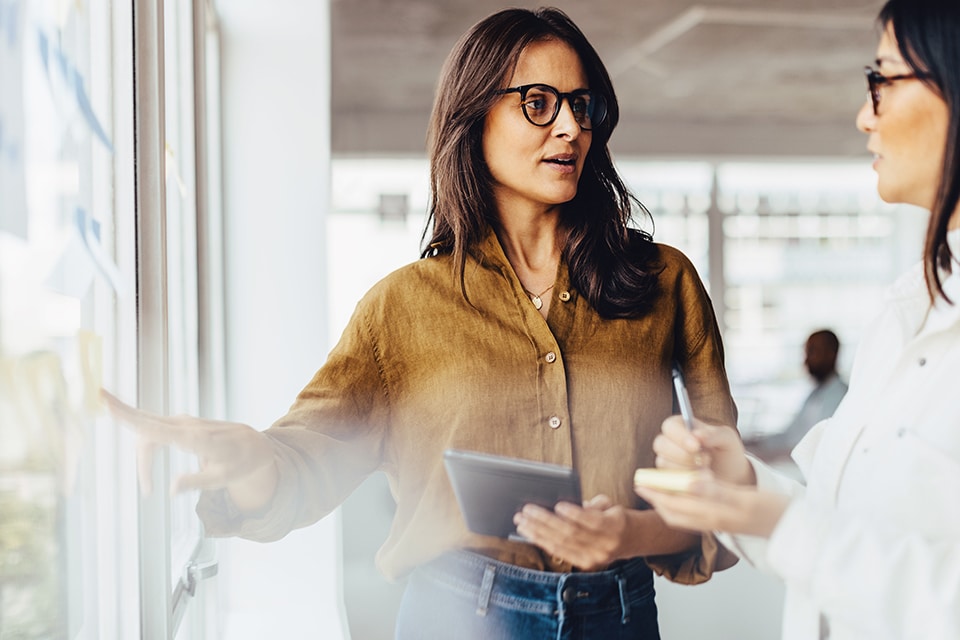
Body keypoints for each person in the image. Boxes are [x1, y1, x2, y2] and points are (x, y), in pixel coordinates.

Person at [104, 7, 738, 639]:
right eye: (539, 103)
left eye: (583, 104)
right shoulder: (402, 307)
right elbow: (308, 461)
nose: (571, 126)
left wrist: (631, 531)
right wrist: (252, 461)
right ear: (473, 117)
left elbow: (730, 495)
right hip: (458, 615)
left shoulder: (665, 281)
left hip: (620, 615)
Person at [636, 1, 960, 638]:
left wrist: (785, 528)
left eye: (883, 81)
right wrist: (742, 481)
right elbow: (845, 530)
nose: (864, 116)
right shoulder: (907, 312)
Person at [744, 329, 848, 462]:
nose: (806, 361)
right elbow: (789, 436)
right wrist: (756, 443)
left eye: (812, 352)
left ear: (831, 354)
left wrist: (771, 454)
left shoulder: (840, 397)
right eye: (806, 353)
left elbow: (818, 448)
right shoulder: (815, 395)